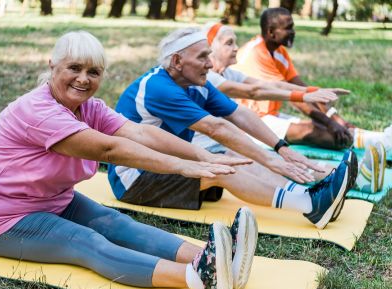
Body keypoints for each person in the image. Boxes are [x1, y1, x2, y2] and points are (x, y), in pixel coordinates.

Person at [0, 31, 261, 289]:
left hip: (53, 200)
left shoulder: (89, 108)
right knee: (86, 241)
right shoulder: (38, 111)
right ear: (53, 65)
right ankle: (201, 278)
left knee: (117, 223)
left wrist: (202, 156)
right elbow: (109, 149)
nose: (84, 79)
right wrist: (181, 166)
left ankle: (220, 260)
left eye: (93, 72)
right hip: (6, 218)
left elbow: (141, 133)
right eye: (74, 68)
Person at [109, 27, 357, 230]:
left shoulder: (196, 84)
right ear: (176, 61)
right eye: (202, 57)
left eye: (209, 55)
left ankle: (310, 194)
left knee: (234, 158)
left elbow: (239, 114)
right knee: (221, 168)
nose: (209, 63)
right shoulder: (158, 87)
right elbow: (216, 128)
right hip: (135, 180)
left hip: (169, 165)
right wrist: (271, 159)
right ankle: (309, 204)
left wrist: (280, 148)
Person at [197, 23, 386, 194]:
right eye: (229, 43)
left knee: (279, 160)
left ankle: (356, 179)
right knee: (272, 162)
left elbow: (271, 86)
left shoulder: (228, 72)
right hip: (217, 147)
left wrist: (312, 91)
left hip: (229, 140)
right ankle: (327, 191)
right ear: (210, 47)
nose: (236, 48)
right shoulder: (209, 78)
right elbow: (255, 91)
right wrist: (305, 95)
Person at [233, 7, 391, 153]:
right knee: (312, 131)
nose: (293, 32)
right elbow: (294, 97)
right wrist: (330, 123)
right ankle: (382, 144)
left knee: (326, 126)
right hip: (247, 121)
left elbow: (302, 88)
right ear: (271, 32)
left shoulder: (278, 51)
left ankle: (381, 139)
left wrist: (336, 118)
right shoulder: (255, 54)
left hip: (268, 115)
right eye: (288, 28)